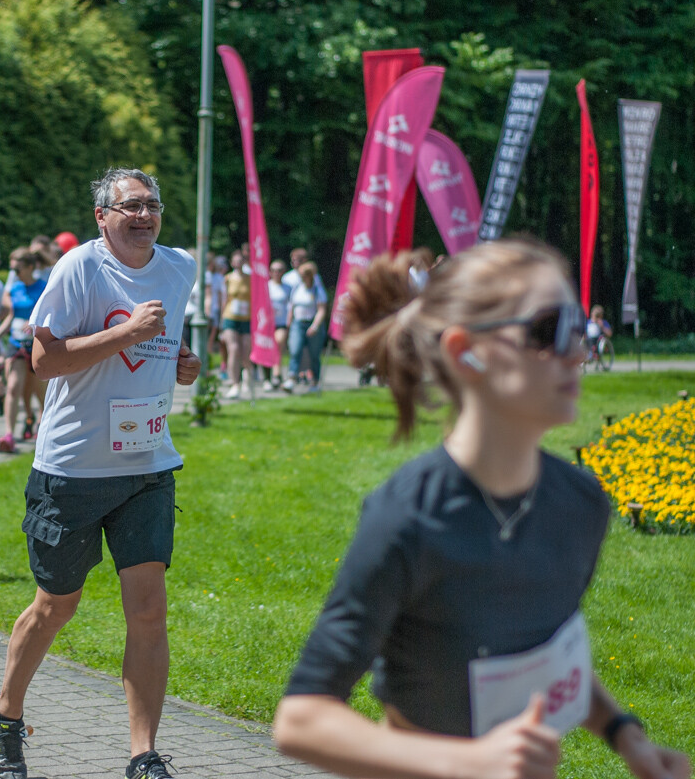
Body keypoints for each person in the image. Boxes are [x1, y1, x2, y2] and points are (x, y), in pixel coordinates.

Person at [272, 240, 691, 779]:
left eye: (580, 326)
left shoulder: (582, 503)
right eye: (549, 329)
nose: (579, 351)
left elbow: (552, 649)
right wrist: (470, 762)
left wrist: (626, 735)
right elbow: (301, 719)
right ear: (465, 351)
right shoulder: (407, 519)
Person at [0, 168, 201, 779]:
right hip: (73, 469)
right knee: (56, 606)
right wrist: (127, 331)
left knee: (149, 611)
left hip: (148, 464)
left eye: (152, 204)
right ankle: (4, 714)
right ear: (102, 215)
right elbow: (43, 360)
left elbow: (166, 348)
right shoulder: (79, 268)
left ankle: (142, 754)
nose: (143, 215)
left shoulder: (180, 267)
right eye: (129, 206)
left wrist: (184, 365)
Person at [0, 248, 46, 453]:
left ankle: (44, 429)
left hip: (38, 345)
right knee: (13, 387)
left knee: (40, 393)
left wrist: (34, 324)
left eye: (17, 269)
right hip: (16, 344)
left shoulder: (45, 288)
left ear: (30, 267)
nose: (14, 273)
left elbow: (52, 315)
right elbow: (11, 315)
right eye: (11, 269)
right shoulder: (16, 289)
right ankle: (9, 434)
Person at [282, 261, 327, 394]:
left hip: (312, 323)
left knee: (314, 354)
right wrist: (288, 323)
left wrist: (315, 326)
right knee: (295, 350)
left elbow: (322, 309)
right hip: (298, 323)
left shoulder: (317, 290)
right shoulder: (297, 288)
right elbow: (292, 306)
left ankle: (315, 381)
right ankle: (291, 377)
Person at [220, 250, 251, 399]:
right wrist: (221, 322)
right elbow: (224, 300)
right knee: (233, 348)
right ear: (232, 263)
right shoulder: (227, 279)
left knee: (245, 350)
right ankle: (234, 383)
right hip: (230, 316)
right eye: (236, 261)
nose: (238, 264)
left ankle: (247, 377)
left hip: (246, 318)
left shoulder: (250, 279)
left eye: (241, 261)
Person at [265, 259, 291, 390]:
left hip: (281, 322)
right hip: (267, 324)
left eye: (279, 270)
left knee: (278, 343)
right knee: (268, 348)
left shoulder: (287, 288)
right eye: (274, 270)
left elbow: (291, 306)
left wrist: (289, 322)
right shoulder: (267, 286)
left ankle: (276, 373)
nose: (276, 273)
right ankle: (269, 377)